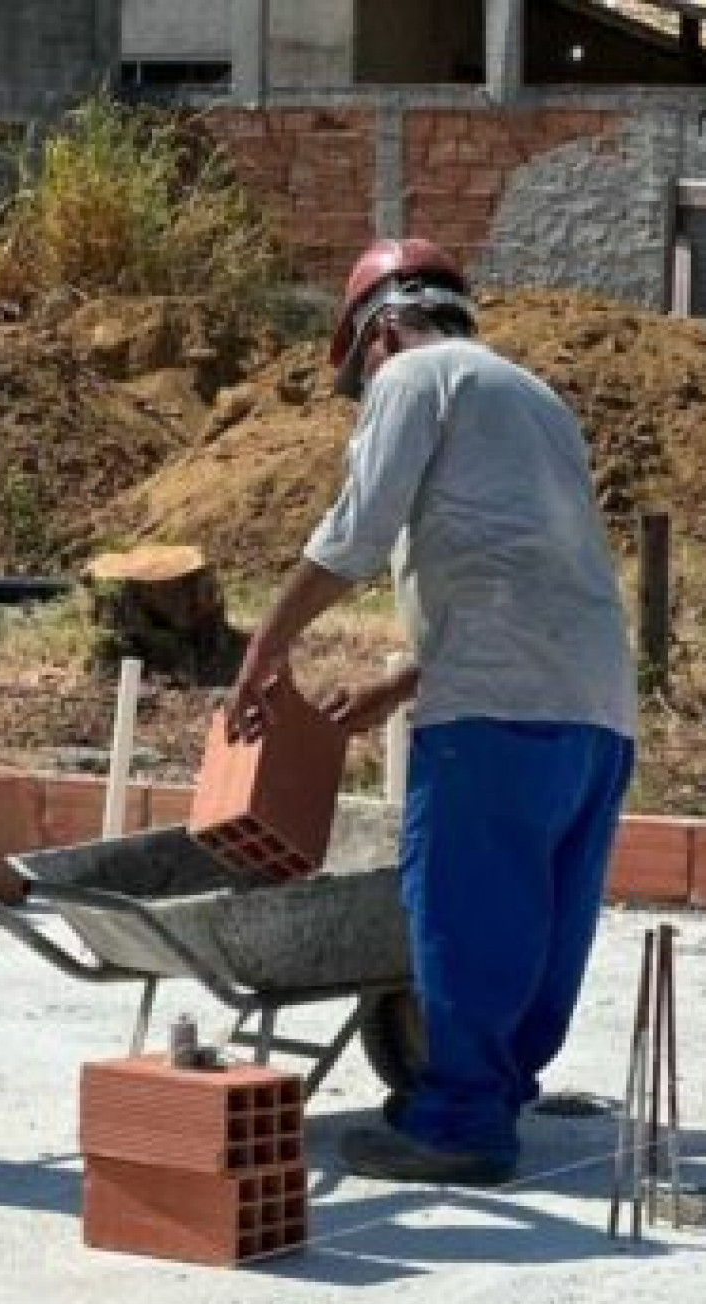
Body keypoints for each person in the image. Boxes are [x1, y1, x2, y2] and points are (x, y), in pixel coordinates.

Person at [229, 238, 638, 1187]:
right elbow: (526, 571)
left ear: (381, 329)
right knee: (541, 912)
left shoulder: (412, 377)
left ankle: (460, 1121)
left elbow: (357, 534)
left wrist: (264, 650)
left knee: (460, 905)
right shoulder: (534, 396)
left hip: (494, 709)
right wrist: (398, 683)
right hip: (595, 708)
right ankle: (491, 1091)